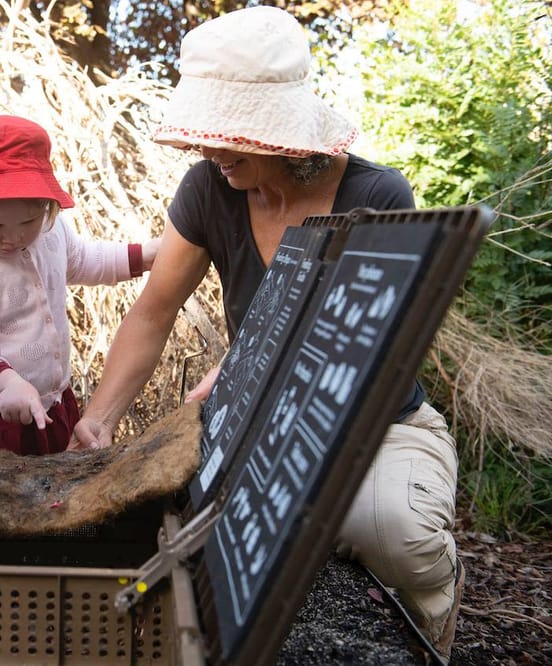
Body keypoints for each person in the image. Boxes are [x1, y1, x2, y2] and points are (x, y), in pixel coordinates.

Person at [68, 7, 463, 661]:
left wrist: (254, 365)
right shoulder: (209, 190)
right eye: (207, 132)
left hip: (374, 423)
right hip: (259, 428)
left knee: (392, 531)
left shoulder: (377, 193)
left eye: (232, 134)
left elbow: (375, 348)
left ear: (283, 132)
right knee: (216, 554)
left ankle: (434, 614)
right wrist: (99, 419)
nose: (210, 150)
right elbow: (153, 311)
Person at [0, 115, 160, 470]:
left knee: (53, 504)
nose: (12, 237)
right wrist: (2, 383)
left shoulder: (51, 231)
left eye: (28, 223)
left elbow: (84, 261)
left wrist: (147, 256)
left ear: (46, 208)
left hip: (49, 404)